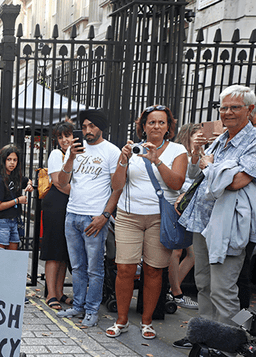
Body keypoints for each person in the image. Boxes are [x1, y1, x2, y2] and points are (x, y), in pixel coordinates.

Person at [106, 105, 187, 340]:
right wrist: (123, 161)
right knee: (125, 269)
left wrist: (156, 161)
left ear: (168, 127)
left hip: (159, 218)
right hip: (129, 216)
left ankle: (147, 321)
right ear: (143, 126)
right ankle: (121, 320)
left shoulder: (178, 150)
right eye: (151, 122)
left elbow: (176, 183)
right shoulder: (132, 149)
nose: (156, 126)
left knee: (153, 270)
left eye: (161, 122)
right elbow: (116, 186)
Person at [178, 85, 256, 325]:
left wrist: (210, 166)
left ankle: (227, 343)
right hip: (202, 222)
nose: (227, 112)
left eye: (235, 107)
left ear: (250, 109)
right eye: (223, 108)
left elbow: (236, 182)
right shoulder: (220, 139)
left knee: (223, 290)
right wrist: (196, 154)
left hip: (228, 227)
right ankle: (204, 336)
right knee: (203, 283)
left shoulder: (253, 142)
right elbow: (196, 175)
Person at [55, 109, 122, 329]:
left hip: (94, 217)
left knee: (95, 268)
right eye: (84, 127)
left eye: (92, 126)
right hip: (72, 214)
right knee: (77, 266)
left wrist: (105, 216)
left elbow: (117, 188)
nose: (87, 131)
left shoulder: (111, 151)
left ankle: (92, 310)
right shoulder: (74, 149)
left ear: (101, 127)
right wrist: (71, 157)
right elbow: (62, 182)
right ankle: (79, 306)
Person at [167, 123, 204, 319]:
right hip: (177, 206)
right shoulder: (179, 155)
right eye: (197, 135)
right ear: (187, 136)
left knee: (191, 254)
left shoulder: (201, 156)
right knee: (176, 251)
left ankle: (173, 289)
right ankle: (175, 292)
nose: (200, 138)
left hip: (191, 210)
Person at [41, 121, 74, 310]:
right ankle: (51, 294)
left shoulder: (77, 154)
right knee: (53, 251)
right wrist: (81, 194)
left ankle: (60, 293)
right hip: (56, 204)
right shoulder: (56, 154)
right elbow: (58, 182)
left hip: (70, 205)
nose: (64, 140)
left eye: (67, 135)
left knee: (63, 252)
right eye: (60, 137)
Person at [0, 144, 33, 251]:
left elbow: (27, 180)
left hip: (14, 221)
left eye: (15, 160)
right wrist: (17, 200)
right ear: (3, 160)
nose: (12, 163)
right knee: (0, 256)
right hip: (1, 222)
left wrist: (29, 185)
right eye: (9, 159)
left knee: (13, 256)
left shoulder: (15, 177)